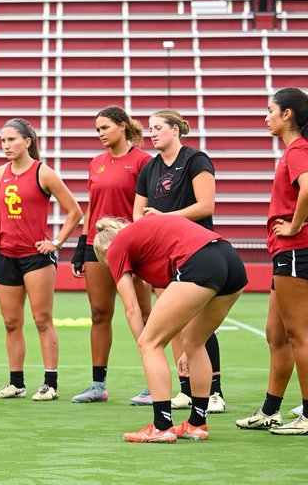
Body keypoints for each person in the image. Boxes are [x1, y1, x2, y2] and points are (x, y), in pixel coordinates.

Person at [93, 215, 246, 442]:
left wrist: (145, 346)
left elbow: (132, 308)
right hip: (230, 260)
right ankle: (197, 423)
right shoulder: (147, 240)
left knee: (149, 343)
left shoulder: (115, 246)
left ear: (105, 249)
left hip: (200, 260)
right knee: (194, 341)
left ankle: (162, 426)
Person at [0, 118, 83, 401]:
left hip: (36, 258)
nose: (6, 146)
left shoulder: (44, 173)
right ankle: (16, 383)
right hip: (6, 257)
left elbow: (74, 211)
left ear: (27, 142)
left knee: (42, 320)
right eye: (3, 141)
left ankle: (50, 384)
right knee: (11, 322)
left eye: (12, 140)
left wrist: (57, 242)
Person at [133, 109, 224, 413]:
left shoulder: (196, 160)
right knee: (171, 325)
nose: (152, 133)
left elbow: (205, 205)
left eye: (158, 127)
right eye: (150, 128)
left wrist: (164, 220)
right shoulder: (150, 168)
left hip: (198, 252)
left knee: (199, 326)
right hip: (165, 256)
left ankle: (214, 392)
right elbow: (138, 213)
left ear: (175, 130)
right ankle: (186, 390)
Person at [238, 88, 308, 434]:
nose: (266, 117)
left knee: (299, 334)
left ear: (288, 115)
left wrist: (294, 225)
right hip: (284, 253)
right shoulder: (292, 151)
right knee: (275, 333)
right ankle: (270, 410)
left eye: (270, 111)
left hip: (296, 250)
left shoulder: (299, 150)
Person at [70, 106, 151, 405]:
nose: (101, 134)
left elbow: (146, 206)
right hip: (96, 246)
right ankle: (97, 386)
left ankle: (152, 382)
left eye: (105, 127)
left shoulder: (143, 161)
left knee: (144, 314)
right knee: (99, 313)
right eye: (97, 130)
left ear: (122, 126)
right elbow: (92, 206)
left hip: (133, 245)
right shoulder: (96, 163)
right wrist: (82, 245)